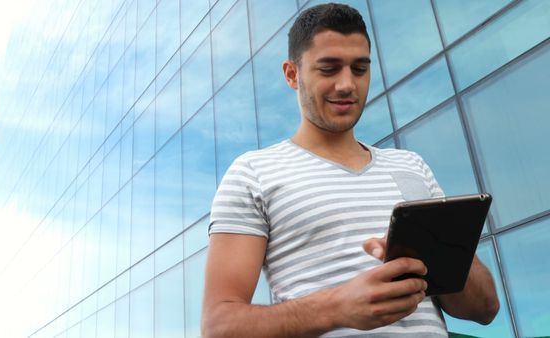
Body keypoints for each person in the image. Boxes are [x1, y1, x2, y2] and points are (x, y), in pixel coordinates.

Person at [201, 3, 499, 337]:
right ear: (292, 74)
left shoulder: (411, 165)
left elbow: (485, 309)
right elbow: (220, 325)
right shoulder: (252, 173)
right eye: (329, 69)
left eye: (359, 69)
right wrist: (338, 307)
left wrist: (434, 254)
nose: (347, 85)